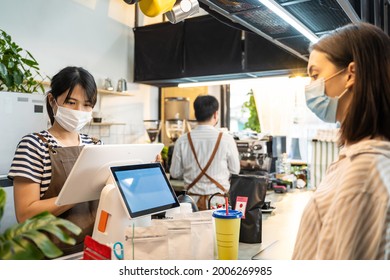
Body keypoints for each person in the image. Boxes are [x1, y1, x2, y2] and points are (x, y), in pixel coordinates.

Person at [293, 23, 390, 260]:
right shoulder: (359, 157)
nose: (311, 87)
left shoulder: (365, 168)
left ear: (351, 74)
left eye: (315, 75)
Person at [8, 66, 101, 256]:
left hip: (93, 247)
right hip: (49, 254)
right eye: (71, 102)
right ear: (52, 100)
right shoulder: (33, 145)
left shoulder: (95, 145)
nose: (79, 111)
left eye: (87, 104)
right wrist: (77, 193)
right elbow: (25, 214)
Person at [169, 95, 240, 210]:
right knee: (219, 228)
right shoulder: (226, 139)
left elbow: (175, 173)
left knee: (193, 228)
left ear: (195, 114)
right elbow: (235, 170)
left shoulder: (182, 140)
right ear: (215, 114)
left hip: (191, 203)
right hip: (218, 203)